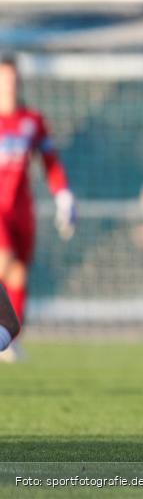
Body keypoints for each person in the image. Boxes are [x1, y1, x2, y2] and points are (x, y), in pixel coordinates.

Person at [0, 54, 75, 362]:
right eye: (3, 78)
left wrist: (63, 195)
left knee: (17, 275)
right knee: (3, 261)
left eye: (12, 78)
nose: (9, 84)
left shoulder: (32, 121)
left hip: (21, 210)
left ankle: (8, 340)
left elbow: (50, 161)